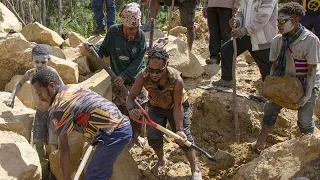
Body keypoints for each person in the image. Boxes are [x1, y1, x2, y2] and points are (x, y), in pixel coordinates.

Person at [31, 68, 132, 180]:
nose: (40, 98)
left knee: (94, 177)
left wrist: (65, 178)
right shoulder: (71, 88)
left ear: (51, 85)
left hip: (115, 132)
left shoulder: (60, 108)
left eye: (41, 93)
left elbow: (64, 148)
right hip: (118, 126)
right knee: (98, 174)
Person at [251, 2, 320, 152]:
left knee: (305, 121)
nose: (279, 25)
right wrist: (271, 87)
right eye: (278, 21)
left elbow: (311, 71)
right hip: (284, 82)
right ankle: (260, 142)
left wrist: (307, 96)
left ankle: (308, 150)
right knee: (269, 109)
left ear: (295, 21)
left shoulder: (310, 40)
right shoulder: (277, 40)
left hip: (305, 83)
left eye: (283, 21)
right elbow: (274, 66)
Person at [126, 47, 202, 179]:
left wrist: (179, 129)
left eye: (159, 71)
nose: (154, 74)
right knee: (153, 136)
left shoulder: (176, 80)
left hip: (176, 106)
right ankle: (161, 160)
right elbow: (130, 98)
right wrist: (131, 110)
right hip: (156, 106)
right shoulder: (142, 76)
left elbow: (178, 107)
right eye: (151, 70)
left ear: (166, 65)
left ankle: (195, 168)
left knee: (184, 138)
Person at [96, 2, 148, 147]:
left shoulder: (141, 36)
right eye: (130, 28)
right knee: (121, 108)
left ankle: (136, 136)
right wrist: (95, 53)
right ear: (123, 24)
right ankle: (125, 136)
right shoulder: (113, 32)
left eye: (136, 28)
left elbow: (138, 63)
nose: (133, 32)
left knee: (137, 107)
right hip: (117, 78)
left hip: (134, 78)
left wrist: (124, 76)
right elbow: (104, 49)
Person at [6, 44, 62, 161]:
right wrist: (12, 97)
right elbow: (20, 84)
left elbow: (63, 88)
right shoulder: (30, 74)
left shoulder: (52, 73)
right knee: (38, 141)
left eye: (43, 62)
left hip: (53, 112)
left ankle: (54, 169)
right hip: (40, 112)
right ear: (32, 59)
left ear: (48, 60)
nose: (40, 65)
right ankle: (42, 166)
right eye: (37, 62)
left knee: (53, 143)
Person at [212, 0, 278, 88]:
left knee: (266, 70)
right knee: (226, 50)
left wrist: (244, 30)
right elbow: (240, 13)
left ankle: (270, 91)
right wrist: (237, 22)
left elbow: (263, 18)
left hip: (262, 39)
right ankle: (227, 79)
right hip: (247, 35)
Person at [202, 0, 240, 64]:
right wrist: (205, 5)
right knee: (213, 32)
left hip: (227, 6)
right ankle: (214, 57)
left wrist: (237, 4)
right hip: (211, 6)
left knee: (226, 33)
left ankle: (228, 57)